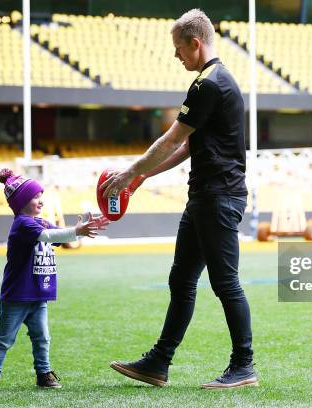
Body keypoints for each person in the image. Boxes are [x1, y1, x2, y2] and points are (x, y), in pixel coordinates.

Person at [101, 9, 257, 389]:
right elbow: (189, 146)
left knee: (225, 283)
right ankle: (158, 363)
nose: (176, 56)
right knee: (182, 279)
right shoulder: (217, 81)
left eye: (178, 48)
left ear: (195, 43)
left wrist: (129, 173)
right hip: (206, 196)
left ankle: (244, 366)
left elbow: (172, 138)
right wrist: (143, 177)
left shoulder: (208, 84)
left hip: (217, 197)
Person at [0, 168, 109, 391]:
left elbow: (59, 235)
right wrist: (76, 231)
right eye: (35, 197)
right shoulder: (23, 223)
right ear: (20, 202)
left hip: (38, 295)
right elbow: (49, 236)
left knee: (42, 337)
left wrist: (81, 230)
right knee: (4, 339)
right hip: (17, 295)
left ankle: (44, 374)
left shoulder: (40, 222)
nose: (40, 200)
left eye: (41, 196)